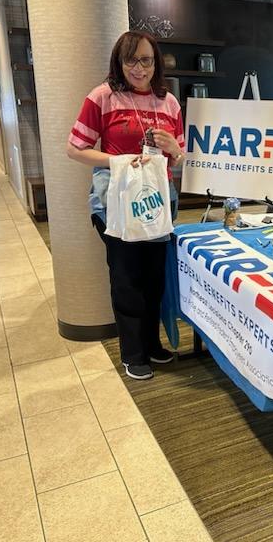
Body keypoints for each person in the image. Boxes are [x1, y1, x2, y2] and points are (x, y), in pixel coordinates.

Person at [67, 30, 185, 381]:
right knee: (126, 279)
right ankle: (132, 353)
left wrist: (173, 149)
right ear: (119, 63)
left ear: (156, 63)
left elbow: (178, 157)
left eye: (146, 60)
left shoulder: (169, 103)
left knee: (154, 279)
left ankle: (151, 344)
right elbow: (74, 148)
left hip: (157, 203)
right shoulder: (103, 96)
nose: (139, 68)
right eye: (131, 60)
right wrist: (117, 161)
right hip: (116, 203)